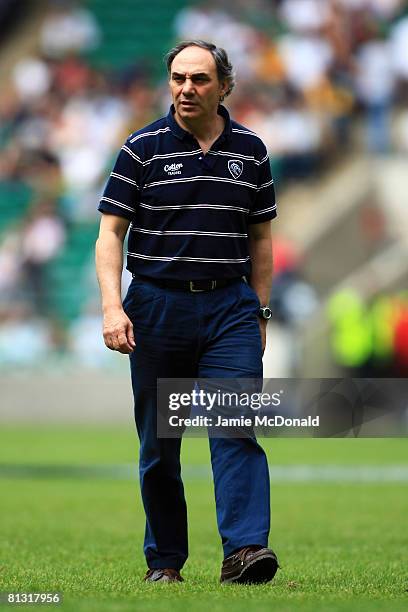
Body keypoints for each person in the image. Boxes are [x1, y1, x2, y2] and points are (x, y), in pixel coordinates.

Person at [95, 40, 279, 584]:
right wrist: (112, 306)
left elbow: (261, 239)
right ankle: (165, 561)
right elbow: (110, 234)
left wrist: (261, 313)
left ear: (225, 85)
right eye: (177, 78)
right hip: (156, 307)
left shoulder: (251, 150)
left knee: (235, 427)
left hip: (230, 309)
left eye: (198, 79)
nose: (185, 89)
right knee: (159, 445)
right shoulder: (142, 147)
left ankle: (245, 551)